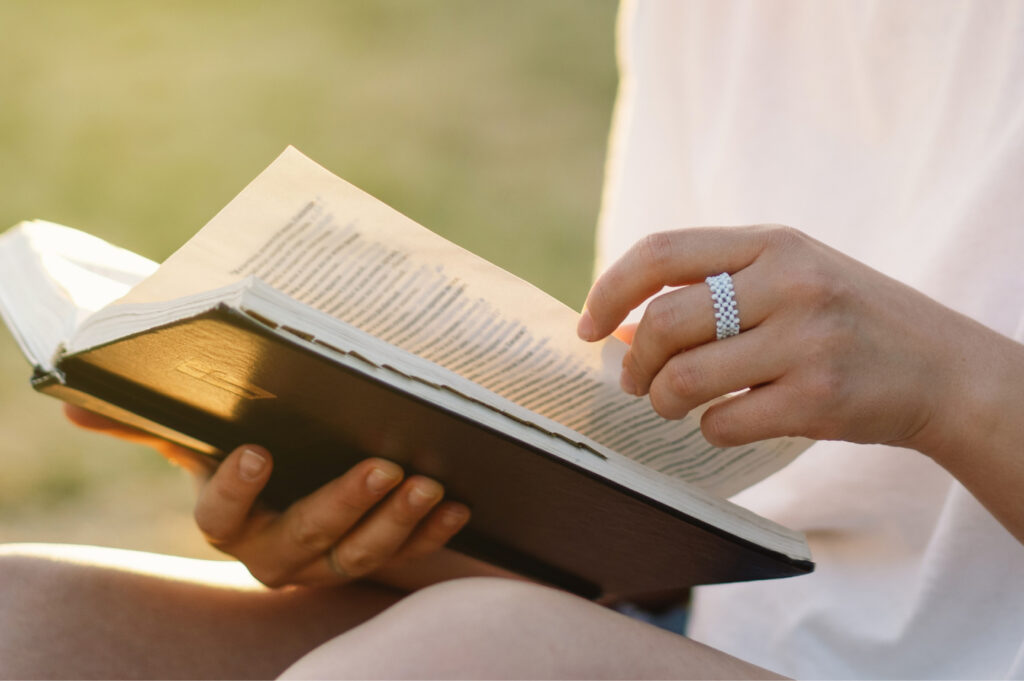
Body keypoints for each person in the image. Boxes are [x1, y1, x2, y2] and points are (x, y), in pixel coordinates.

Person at [2, 1, 1023, 678]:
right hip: (728, 643)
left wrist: (953, 388)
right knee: (25, 621)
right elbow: (688, 562)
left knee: (458, 659)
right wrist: (367, 503)